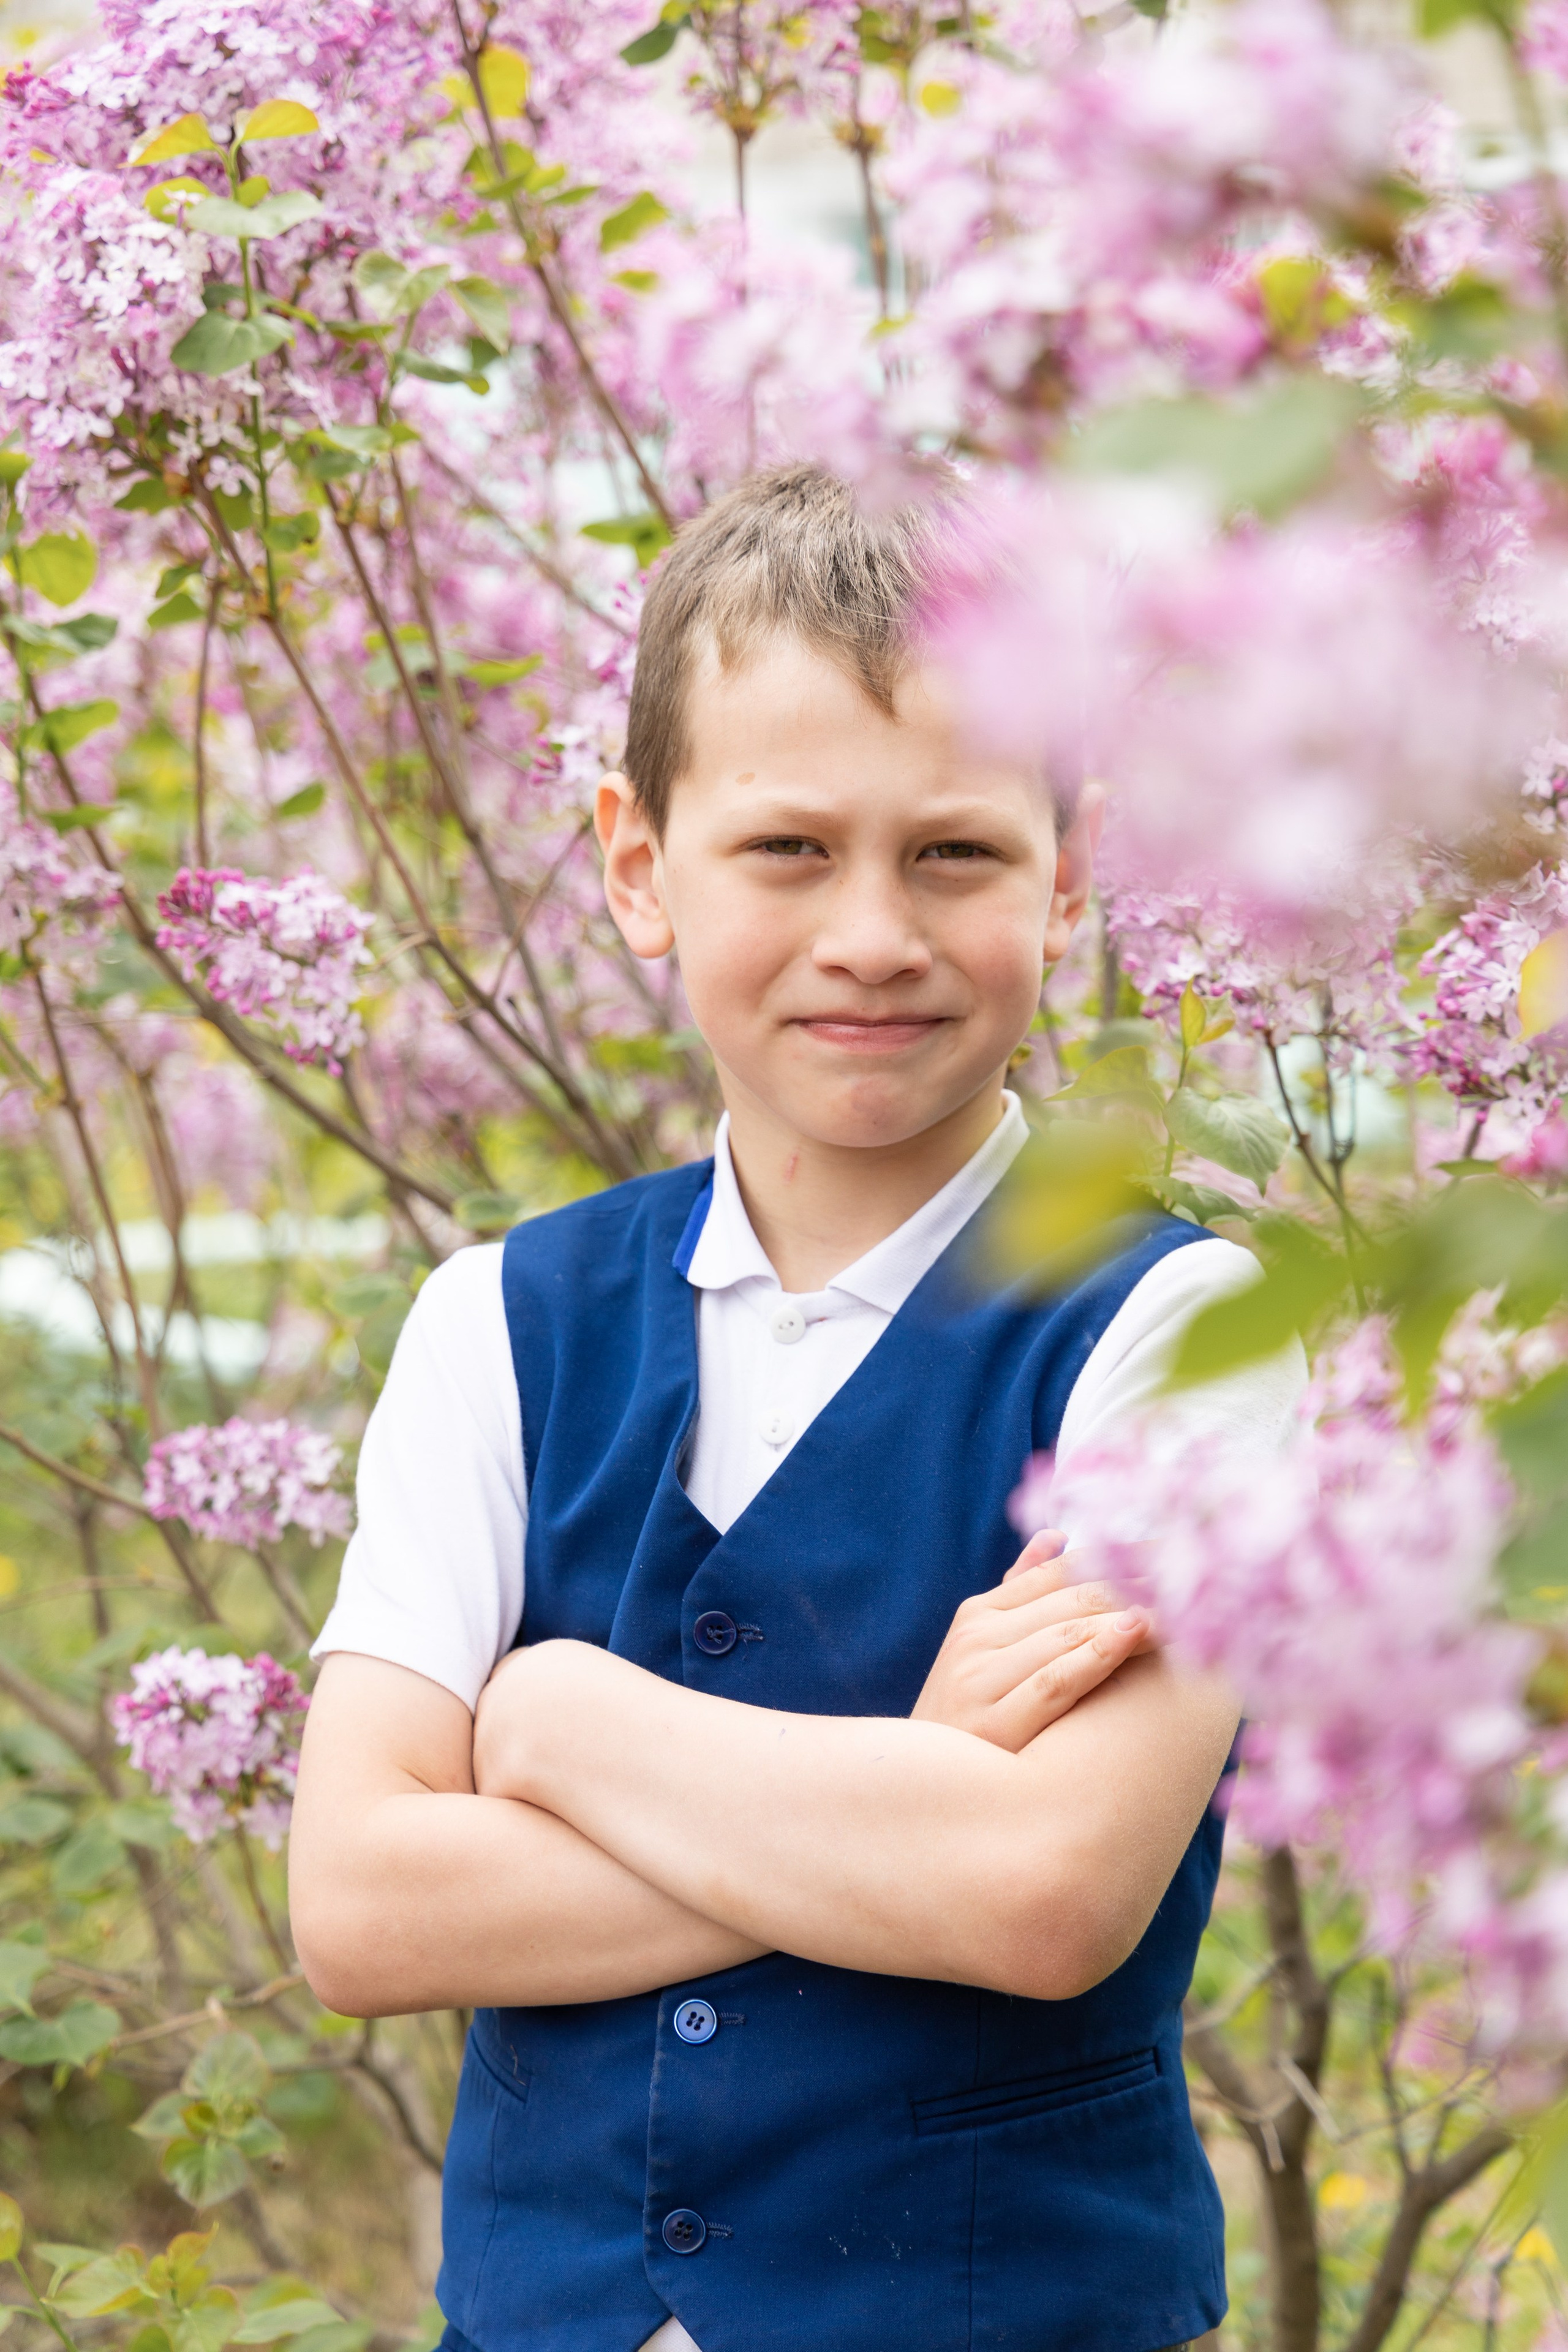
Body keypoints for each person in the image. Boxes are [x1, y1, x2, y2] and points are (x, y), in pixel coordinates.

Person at [288, 466, 1303, 2352]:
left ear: (1067, 872)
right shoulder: (497, 1326)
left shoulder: (1182, 1332)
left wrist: (560, 1717)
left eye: (954, 854)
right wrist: (904, 1775)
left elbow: (1038, 1891)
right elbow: (363, 1908)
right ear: (634, 863)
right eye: (784, 850)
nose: (871, 934)